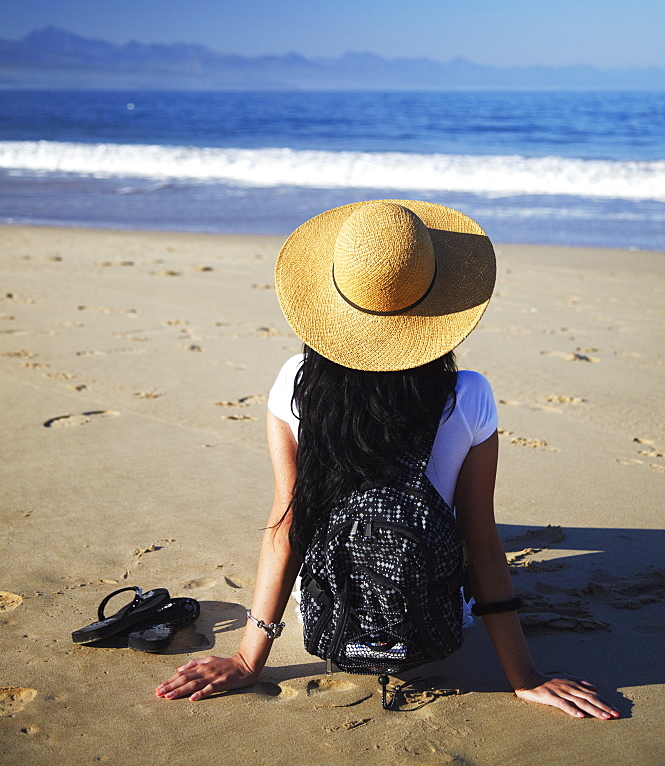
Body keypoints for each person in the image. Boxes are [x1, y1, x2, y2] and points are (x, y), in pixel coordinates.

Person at [156, 200, 619, 720]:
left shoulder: (294, 384)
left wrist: (248, 657)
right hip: (439, 623)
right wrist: (524, 676)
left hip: (328, 618)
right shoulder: (468, 396)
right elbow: (479, 538)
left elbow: (287, 524)